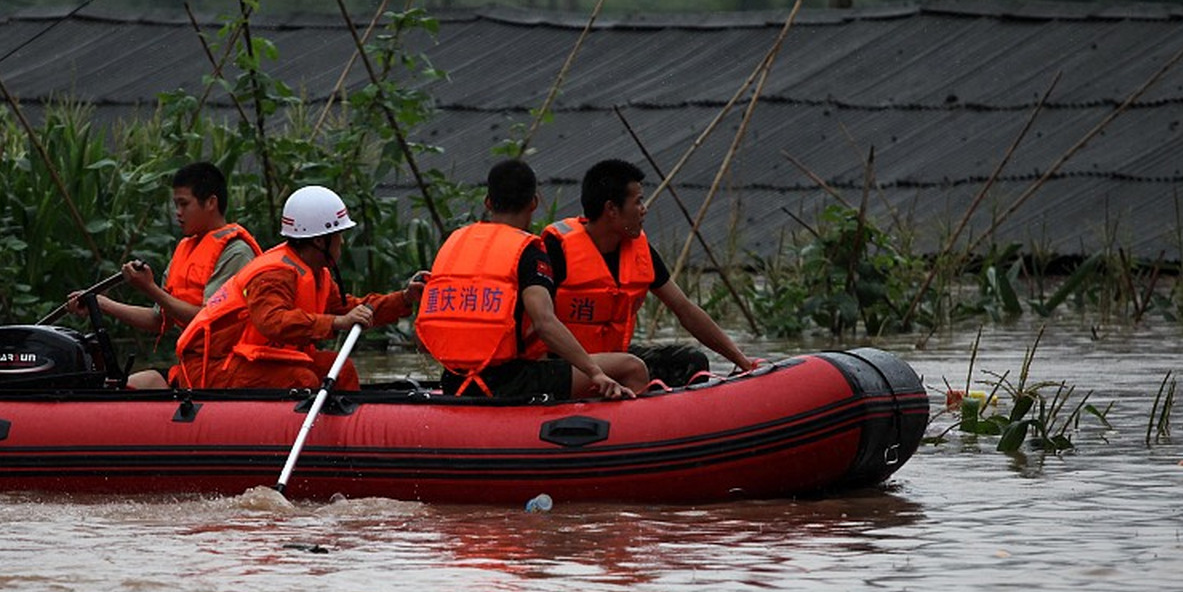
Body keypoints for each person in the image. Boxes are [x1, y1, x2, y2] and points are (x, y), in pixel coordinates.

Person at [415, 158, 642, 401]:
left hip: (453, 380)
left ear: (488, 202)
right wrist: (595, 373)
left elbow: (422, 339)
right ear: (533, 203)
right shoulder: (528, 251)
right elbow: (544, 323)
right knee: (632, 367)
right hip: (510, 382)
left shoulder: (455, 243)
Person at [169, 185, 425, 391]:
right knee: (301, 379)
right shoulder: (274, 274)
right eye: (339, 235)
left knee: (340, 367)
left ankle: (347, 437)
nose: (343, 242)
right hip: (214, 367)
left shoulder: (316, 273)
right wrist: (336, 322)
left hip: (251, 361)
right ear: (319, 240)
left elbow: (349, 309)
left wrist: (404, 298)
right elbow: (272, 321)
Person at [542, 158, 765, 386]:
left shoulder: (639, 250)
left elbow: (684, 308)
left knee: (690, 361)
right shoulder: (556, 250)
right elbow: (537, 321)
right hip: (564, 364)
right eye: (638, 202)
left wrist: (742, 360)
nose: (644, 210)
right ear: (611, 209)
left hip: (616, 356)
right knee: (631, 366)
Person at [85, 161, 260, 388]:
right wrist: (99, 304)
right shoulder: (186, 249)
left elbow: (206, 321)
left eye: (183, 204)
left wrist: (150, 289)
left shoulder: (236, 253)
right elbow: (159, 320)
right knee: (119, 389)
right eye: (175, 204)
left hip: (224, 374)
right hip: (190, 369)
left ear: (211, 202)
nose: (177, 213)